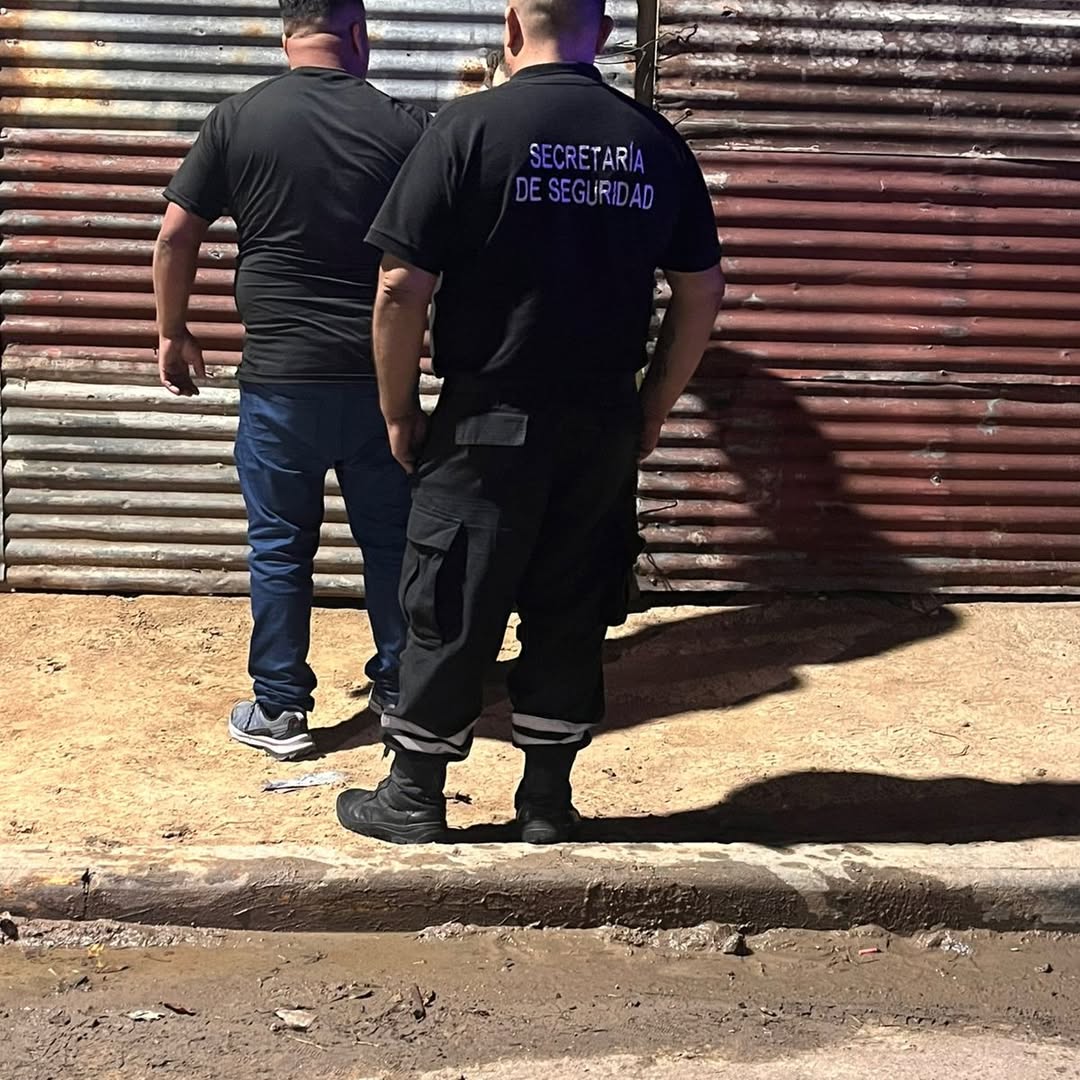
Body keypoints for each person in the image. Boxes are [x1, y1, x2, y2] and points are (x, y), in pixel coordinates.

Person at [336, 0, 724, 845]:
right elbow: (701, 290)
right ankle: (546, 800)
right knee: (573, 604)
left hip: (487, 420)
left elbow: (400, 287)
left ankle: (414, 796)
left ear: (512, 25)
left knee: (451, 599)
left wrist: (398, 408)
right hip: (600, 423)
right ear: (605, 35)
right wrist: (652, 405)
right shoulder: (652, 140)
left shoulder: (467, 129)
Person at [153, 0, 429, 761]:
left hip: (280, 383)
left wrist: (173, 330)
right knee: (393, 541)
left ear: (285, 35)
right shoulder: (408, 126)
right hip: (377, 384)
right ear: (359, 34)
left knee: (279, 546)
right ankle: (402, 693)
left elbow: (176, 234)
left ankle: (279, 710)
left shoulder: (238, 118)